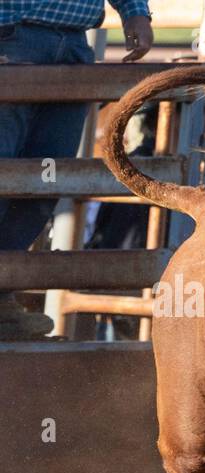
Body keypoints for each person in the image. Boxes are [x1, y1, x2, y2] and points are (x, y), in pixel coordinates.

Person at [0, 0, 153, 340]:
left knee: (48, 175)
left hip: (71, 42)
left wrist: (135, 12)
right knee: (12, 170)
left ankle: (2, 292)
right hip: (11, 34)